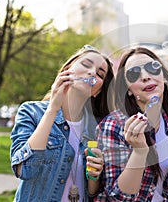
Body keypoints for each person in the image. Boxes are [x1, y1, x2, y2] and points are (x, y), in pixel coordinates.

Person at [10, 44, 114, 201]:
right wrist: (53, 108)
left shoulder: (99, 127)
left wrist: (95, 175)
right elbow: (24, 170)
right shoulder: (31, 112)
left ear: (98, 91)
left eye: (100, 74)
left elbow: (92, 192)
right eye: (86, 64)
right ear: (68, 69)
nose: (92, 72)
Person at [94, 46, 168, 201]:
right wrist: (139, 152)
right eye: (134, 74)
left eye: (152, 68)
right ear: (128, 90)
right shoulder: (113, 125)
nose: (146, 76)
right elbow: (118, 197)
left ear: (164, 77)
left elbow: (166, 188)